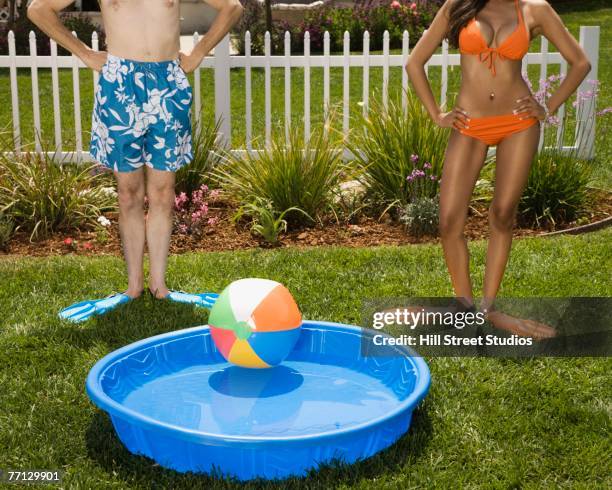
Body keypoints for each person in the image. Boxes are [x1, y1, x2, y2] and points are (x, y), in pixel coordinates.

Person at [28, 0, 243, 312]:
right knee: (128, 192)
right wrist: (86, 54)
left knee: (162, 191)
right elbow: (38, 9)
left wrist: (198, 52)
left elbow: (232, 7)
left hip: (168, 84)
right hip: (120, 86)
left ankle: (159, 286)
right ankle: (133, 287)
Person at [406, 0, 591, 338]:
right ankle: (464, 307)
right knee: (449, 220)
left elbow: (580, 62)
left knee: (503, 213)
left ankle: (489, 310)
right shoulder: (458, 6)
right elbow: (415, 63)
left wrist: (546, 107)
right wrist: (437, 113)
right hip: (469, 124)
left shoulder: (536, 10)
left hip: (518, 123)